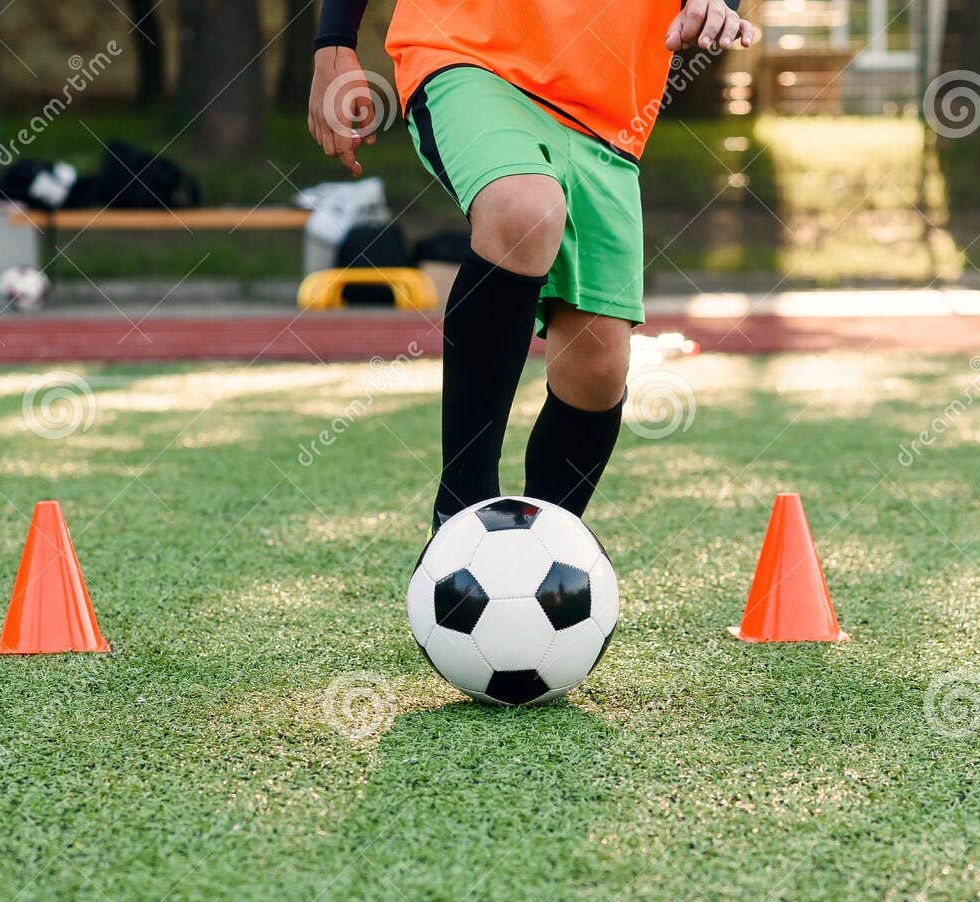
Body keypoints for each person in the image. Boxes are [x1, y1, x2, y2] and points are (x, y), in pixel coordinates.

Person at [308, 0, 755, 528]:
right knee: (525, 209)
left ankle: (539, 549)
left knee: (598, 370)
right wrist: (334, 40)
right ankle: (460, 514)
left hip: (607, 104)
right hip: (467, 50)